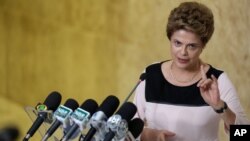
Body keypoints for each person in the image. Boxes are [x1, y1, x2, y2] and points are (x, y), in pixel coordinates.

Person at [133, 1, 249, 141]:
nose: (183, 52)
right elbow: (128, 130)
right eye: (177, 43)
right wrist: (151, 135)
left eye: (192, 46)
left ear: (203, 46)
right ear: (170, 39)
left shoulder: (217, 80)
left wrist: (220, 107)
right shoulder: (150, 74)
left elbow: (244, 134)